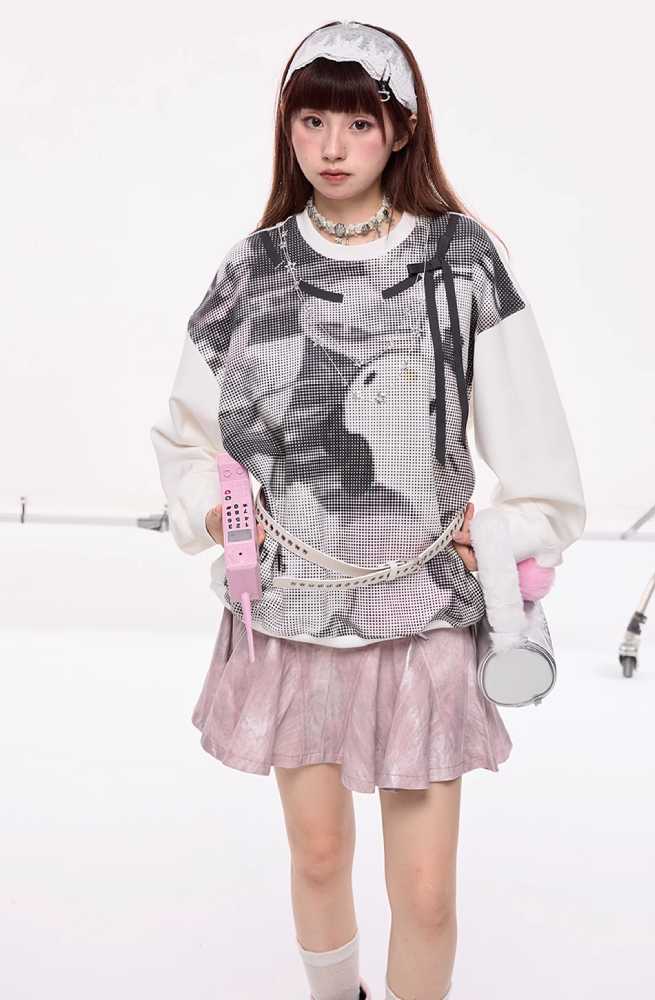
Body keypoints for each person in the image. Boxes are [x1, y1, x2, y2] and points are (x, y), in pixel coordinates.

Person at [149, 19, 586, 1000]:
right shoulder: (254, 269)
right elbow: (186, 434)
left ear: (401, 130)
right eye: (312, 121)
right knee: (316, 859)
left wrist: (507, 533)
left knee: (425, 895)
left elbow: (539, 463)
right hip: (294, 615)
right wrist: (216, 513)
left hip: (425, 611)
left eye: (356, 122)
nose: (332, 146)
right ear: (288, 130)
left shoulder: (461, 260)